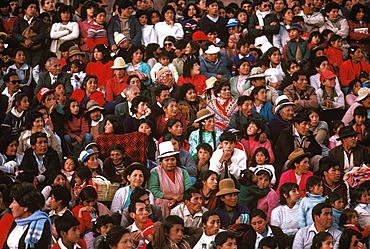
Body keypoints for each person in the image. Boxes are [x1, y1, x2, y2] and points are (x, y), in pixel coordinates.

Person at [147, 141, 192, 218]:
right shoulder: (155, 172)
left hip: (180, 201)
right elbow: (154, 191)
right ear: (161, 162)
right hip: (162, 204)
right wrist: (172, 196)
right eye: (166, 160)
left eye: (172, 159)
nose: (170, 162)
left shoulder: (183, 172)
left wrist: (176, 199)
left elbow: (189, 189)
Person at [4, 183, 51, 249]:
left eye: (14, 202)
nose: (10, 206)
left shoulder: (42, 224)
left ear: (25, 207)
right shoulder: (16, 222)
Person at [12, 0, 47, 67]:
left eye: (35, 8)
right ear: (25, 9)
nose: (33, 9)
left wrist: (32, 41)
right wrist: (24, 40)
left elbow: (42, 34)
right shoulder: (19, 21)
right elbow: (15, 33)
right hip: (23, 48)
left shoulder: (39, 22)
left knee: (35, 67)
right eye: (31, 7)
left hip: (37, 49)